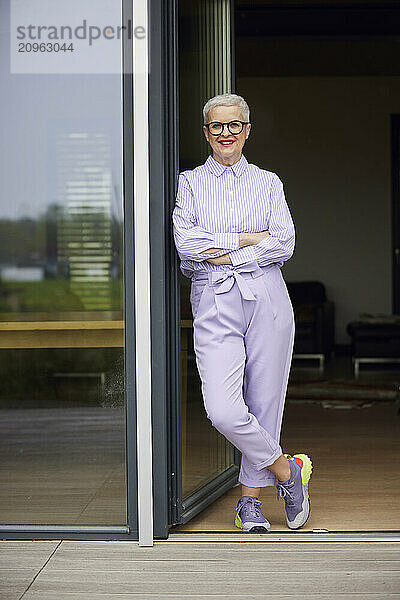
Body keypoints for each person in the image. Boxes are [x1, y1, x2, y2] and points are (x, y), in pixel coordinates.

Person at [172, 93, 312, 532]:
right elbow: (187, 245)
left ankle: (249, 501)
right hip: (213, 300)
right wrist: (249, 240)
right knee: (224, 409)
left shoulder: (269, 182)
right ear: (207, 132)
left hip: (267, 297)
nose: (226, 133)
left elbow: (284, 243)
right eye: (217, 126)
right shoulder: (190, 182)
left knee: (265, 401)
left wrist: (226, 251)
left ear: (247, 130)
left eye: (235, 125)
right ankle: (288, 472)